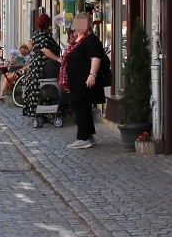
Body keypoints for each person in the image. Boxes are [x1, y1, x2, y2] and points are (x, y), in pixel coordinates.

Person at [61, 12, 109, 149]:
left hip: (83, 79)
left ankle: (82, 137)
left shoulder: (91, 39)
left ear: (88, 25)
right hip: (75, 80)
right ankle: (88, 135)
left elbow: (96, 58)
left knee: (80, 106)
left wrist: (92, 74)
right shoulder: (76, 38)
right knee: (82, 106)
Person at [22, 14, 62, 118]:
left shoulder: (36, 35)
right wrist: (58, 59)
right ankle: (46, 112)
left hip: (35, 65)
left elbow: (31, 47)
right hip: (43, 66)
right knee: (45, 88)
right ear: (48, 24)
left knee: (36, 89)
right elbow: (45, 50)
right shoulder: (46, 36)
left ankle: (35, 112)